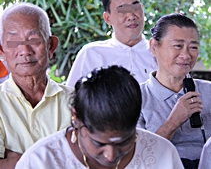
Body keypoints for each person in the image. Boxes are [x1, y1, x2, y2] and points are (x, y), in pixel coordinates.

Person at [15, 65, 183, 169]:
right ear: (75, 117)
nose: (110, 155)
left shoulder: (163, 154)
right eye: (98, 143)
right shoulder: (41, 161)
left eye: (124, 142)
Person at [0, 2, 73, 168]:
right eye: (13, 41)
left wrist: (17, 161)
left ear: (51, 46)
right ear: (1, 51)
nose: (25, 50)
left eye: (34, 39)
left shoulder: (78, 101)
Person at [137, 13, 211, 169]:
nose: (185, 55)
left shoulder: (208, 90)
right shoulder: (136, 97)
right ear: (154, 47)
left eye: (193, 47)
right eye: (178, 45)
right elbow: (136, 158)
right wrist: (172, 122)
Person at [66, 0, 157, 87]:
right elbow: (69, 99)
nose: (131, 16)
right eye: (122, 10)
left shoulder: (162, 53)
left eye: (135, 7)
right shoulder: (91, 54)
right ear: (107, 18)